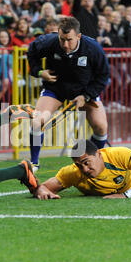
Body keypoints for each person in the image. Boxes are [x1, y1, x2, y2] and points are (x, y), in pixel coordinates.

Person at [26, 16, 110, 172]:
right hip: (55, 89)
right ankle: (34, 164)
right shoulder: (49, 42)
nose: (65, 44)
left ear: (78, 36)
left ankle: (94, 160)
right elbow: (31, 51)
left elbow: (103, 76)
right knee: (37, 121)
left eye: (69, 40)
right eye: (61, 39)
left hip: (84, 91)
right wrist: (38, 71)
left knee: (101, 127)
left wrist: (86, 96)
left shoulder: (93, 48)